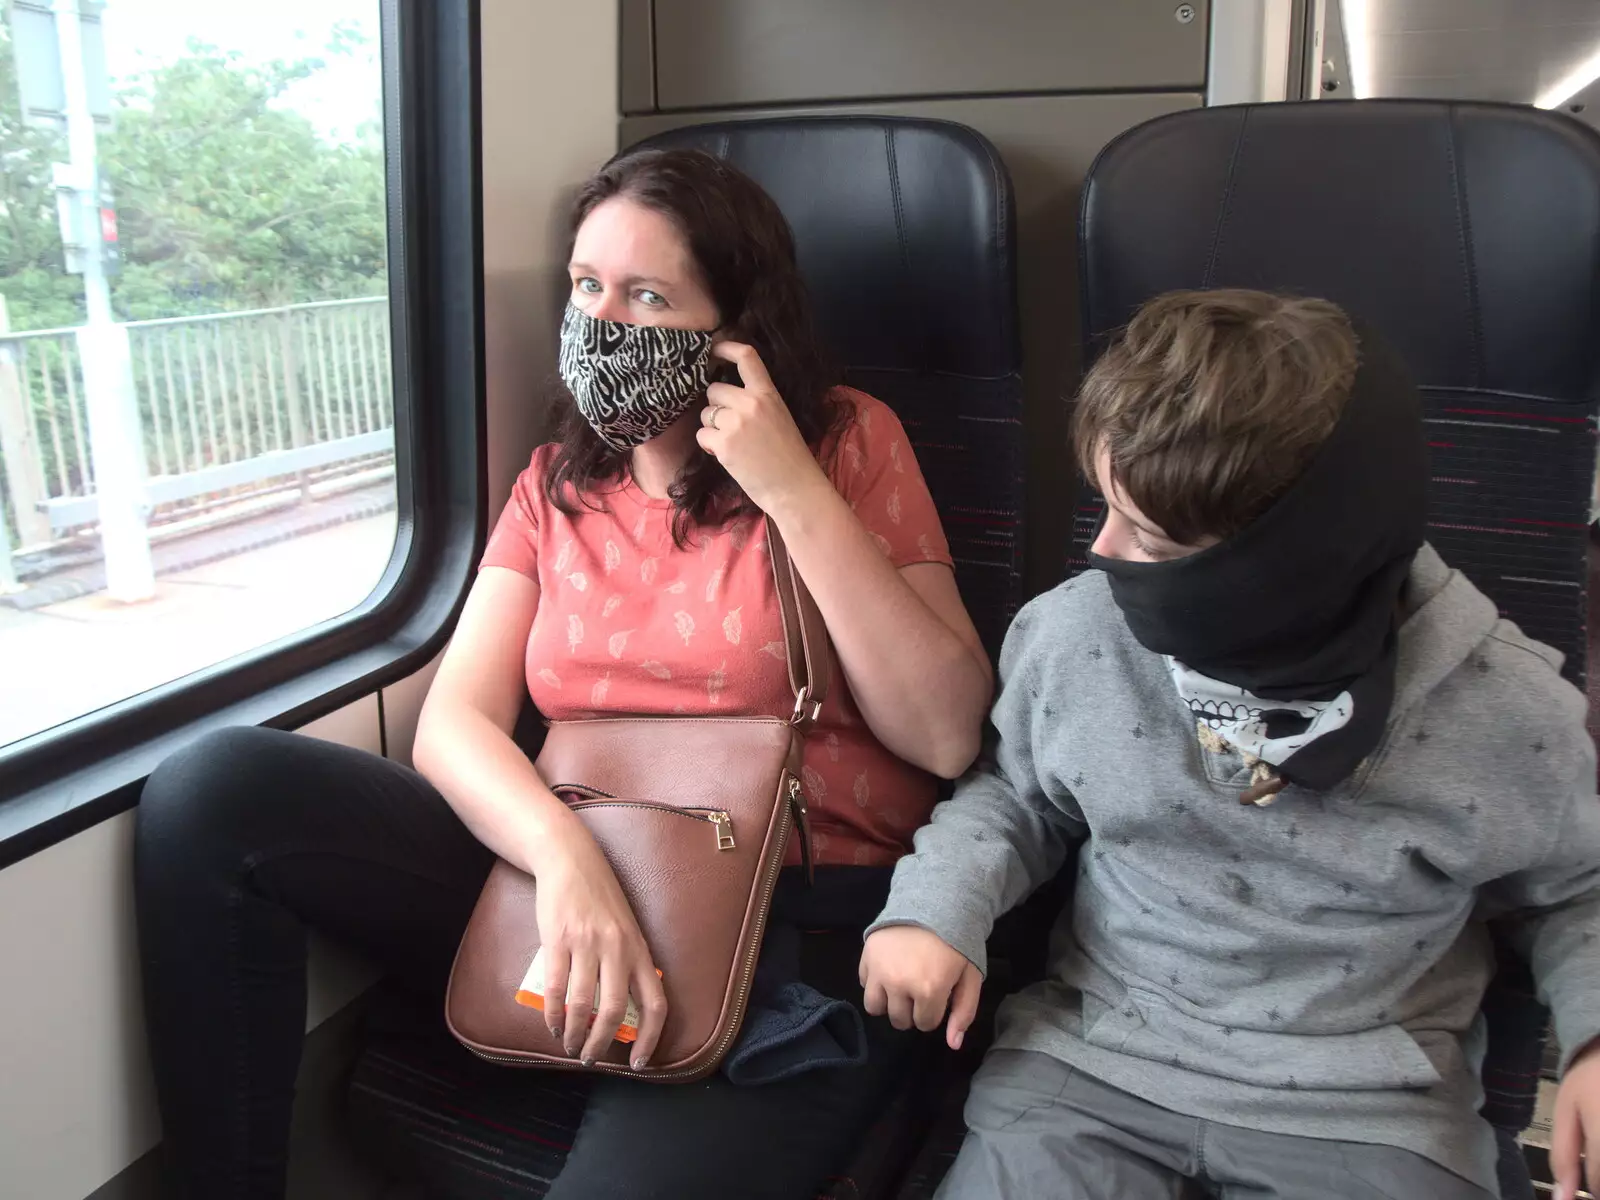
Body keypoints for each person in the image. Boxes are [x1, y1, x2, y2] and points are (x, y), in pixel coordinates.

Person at [135, 147, 994, 1200]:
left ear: (736, 326)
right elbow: (453, 723)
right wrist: (564, 860)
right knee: (218, 789)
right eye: (588, 286)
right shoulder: (556, 482)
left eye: (646, 294)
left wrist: (792, 492)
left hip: (782, 912)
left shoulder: (851, 440)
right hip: (572, 866)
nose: (604, 320)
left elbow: (946, 733)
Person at [859, 289, 1600, 1200]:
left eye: (1157, 545)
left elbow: (1580, 888)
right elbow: (1014, 793)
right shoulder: (1078, 636)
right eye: (1107, 509)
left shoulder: (1504, 711)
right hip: (1099, 1061)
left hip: (1364, 1107)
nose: (1103, 555)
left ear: (1288, 568)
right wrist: (936, 906)